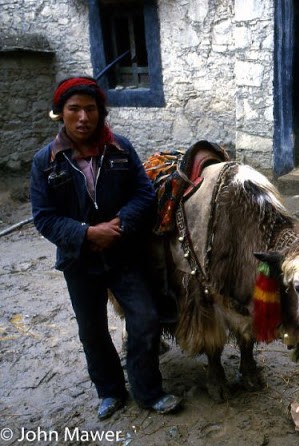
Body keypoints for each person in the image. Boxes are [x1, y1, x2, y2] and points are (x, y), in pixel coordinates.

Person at [30, 76, 182, 420]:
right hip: (78, 261)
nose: (83, 117)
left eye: (90, 108)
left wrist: (120, 226)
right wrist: (86, 233)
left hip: (123, 254)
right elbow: (44, 218)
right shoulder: (45, 162)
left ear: (101, 112)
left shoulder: (121, 150)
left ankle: (148, 391)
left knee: (145, 319)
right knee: (92, 330)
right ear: (59, 114)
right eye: (74, 109)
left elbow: (143, 195)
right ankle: (110, 391)